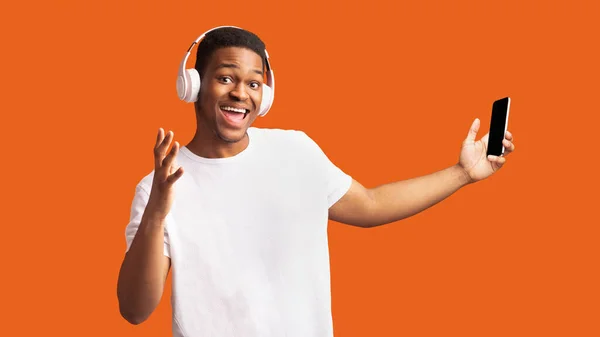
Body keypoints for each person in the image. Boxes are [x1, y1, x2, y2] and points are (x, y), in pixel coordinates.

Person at [116, 26, 515, 337]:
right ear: (196, 85)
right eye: (226, 78)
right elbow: (135, 310)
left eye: (254, 83)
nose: (241, 93)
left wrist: (462, 173)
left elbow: (371, 205)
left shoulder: (296, 151)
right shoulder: (158, 187)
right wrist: (157, 211)